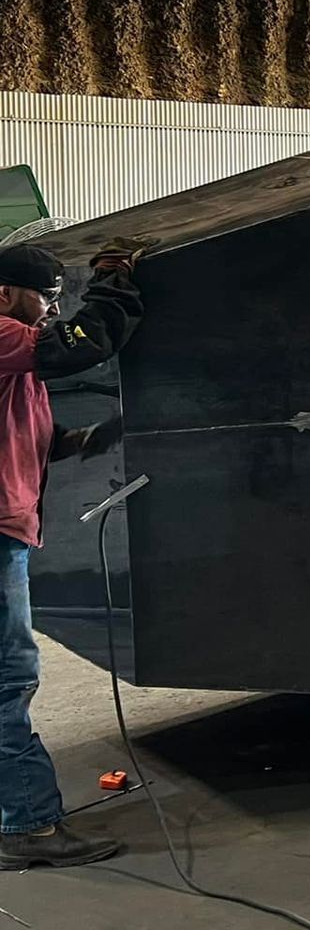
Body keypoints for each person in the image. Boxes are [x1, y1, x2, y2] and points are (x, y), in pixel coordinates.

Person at [0, 240, 143, 870]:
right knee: (10, 678)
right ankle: (27, 826)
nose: (53, 311)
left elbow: (25, 429)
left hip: (9, 528)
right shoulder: (3, 332)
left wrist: (83, 439)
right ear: (6, 293)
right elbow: (81, 345)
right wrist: (113, 281)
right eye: (47, 297)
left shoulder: (13, 356)